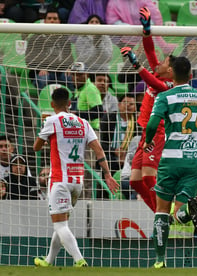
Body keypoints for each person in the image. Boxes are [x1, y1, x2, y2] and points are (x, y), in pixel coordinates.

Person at [143, 56, 197, 268]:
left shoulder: (165, 97)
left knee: (161, 211)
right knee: (178, 213)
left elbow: (151, 125)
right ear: (191, 75)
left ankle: (160, 261)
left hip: (171, 160)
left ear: (171, 72)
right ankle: (186, 211)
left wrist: (148, 142)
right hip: (195, 160)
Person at [33, 87, 119, 267]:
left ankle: (79, 260)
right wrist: (108, 175)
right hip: (77, 182)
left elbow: (36, 147)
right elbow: (98, 150)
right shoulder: (83, 122)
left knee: (59, 225)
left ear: (52, 104)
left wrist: (45, 133)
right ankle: (48, 261)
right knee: (61, 222)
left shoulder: (52, 121)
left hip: (59, 180)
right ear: (70, 103)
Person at [120, 7, 175, 213]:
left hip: (158, 133)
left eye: (164, 62)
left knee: (149, 177)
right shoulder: (159, 74)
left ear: (170, 70)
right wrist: (146, 30)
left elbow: (151, 81)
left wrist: (136, 64)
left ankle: (164, 212)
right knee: (134, 181)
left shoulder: (169, 85)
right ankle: (159, 213)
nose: (158, 63)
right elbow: (151, 51)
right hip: (145, 133)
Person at [25, 7, 74, 91]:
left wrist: (68, 68)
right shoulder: (36, 38)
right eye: (49, 18)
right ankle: (42, 103)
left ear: (59, 22)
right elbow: (29, 60)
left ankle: (72, 103)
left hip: (60, 73)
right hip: (41, 73)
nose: (52, 21)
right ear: (45, 21)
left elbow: (69, 58)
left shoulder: (64, 39)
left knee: (70, 78)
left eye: (55, 19)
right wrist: (40, 68)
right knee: (43, 79)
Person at [100, 93, 137, 175]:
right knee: (109, 161)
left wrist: (126, 154)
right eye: (125, 103)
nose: (128, 106)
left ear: (135, 108)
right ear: (119, 105)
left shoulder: (138, 122)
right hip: (111, 154)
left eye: (131, 104)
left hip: (130, 156)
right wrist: (115, 151)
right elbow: (102, 143)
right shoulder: (109, 118)